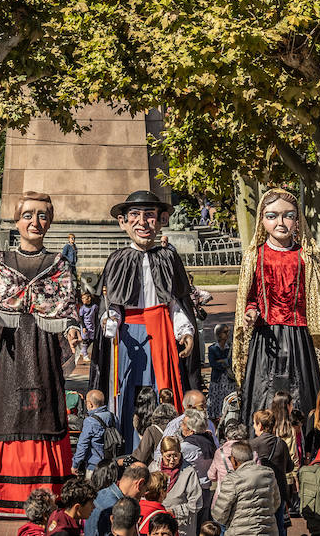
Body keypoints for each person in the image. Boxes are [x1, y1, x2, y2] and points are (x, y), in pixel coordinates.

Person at [0, 191, 83, 516]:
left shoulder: (59, 264)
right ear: (16, 220)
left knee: (47, 410)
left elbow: (68, 309)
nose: (35, 222)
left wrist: (72, 328)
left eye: (42, 216)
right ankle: (3, 494)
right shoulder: (2, 262)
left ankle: (48, 490)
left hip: (43, 352)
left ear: (49, 221)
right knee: (8, 409)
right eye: (28, 215)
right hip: (11, 352)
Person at [89, 191, 201, 450]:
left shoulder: (168, 257)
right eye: (135, 216)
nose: (142, 222)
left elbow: (177, 301)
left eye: (149, 216)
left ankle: (166, 445)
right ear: (123, 222)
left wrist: (185, 331)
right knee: (128, 390)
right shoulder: (116, 259)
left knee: (161, 388)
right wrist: (110, 320)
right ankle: (129, 445)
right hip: (127, 337)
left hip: (161, 333)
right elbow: (110, 304)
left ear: (161, 220)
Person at [234, 188, 320, 423]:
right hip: (266, 339)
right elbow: (250, 296)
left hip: (298, 338)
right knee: (265, 394)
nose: (280, 222)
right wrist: (250, 311)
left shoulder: (306, 257)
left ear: (297, 220)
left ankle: (301, 446)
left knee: (300, 393)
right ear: (262, 219)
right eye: (272, 216)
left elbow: (318, 298)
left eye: (288, 215)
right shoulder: (255, 256)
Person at [210, 441, 279, 536]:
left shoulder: (232, 479)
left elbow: (219, 514)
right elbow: (276, 502)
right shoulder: (268, 474)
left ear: (234, 460)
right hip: (268, 531)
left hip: (240, 532)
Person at [150, 437, 201, 536]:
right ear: (162, 453)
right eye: (168, 456)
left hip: (182, 525)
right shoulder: (153, 468)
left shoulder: (189, 471)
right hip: (158, 523)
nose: (172, 460)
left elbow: (196, 502)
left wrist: (175, 511)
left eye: (176, 456)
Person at [86, 464, 148, 536]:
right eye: (145, 489)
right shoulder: (115, 508)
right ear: (140, 483)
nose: (143, 495)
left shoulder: (102, 494)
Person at [75, 391, 118, 475]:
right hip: (110, 464)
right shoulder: (112, 417)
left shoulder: (90, 421)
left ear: (90, 404)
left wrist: (76, 464)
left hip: (94, 466)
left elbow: (83, 445)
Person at [205, 326, 234, 427]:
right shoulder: (212, 348)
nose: (228, 334)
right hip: (217, 380)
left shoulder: (231, 347)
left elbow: (231, 362)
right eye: (225, 332)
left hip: (228, 381)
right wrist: (225, 362)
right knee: (214, 403)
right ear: (219, 334)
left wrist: (222, 361)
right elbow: (213, 364)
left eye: (228, 331)